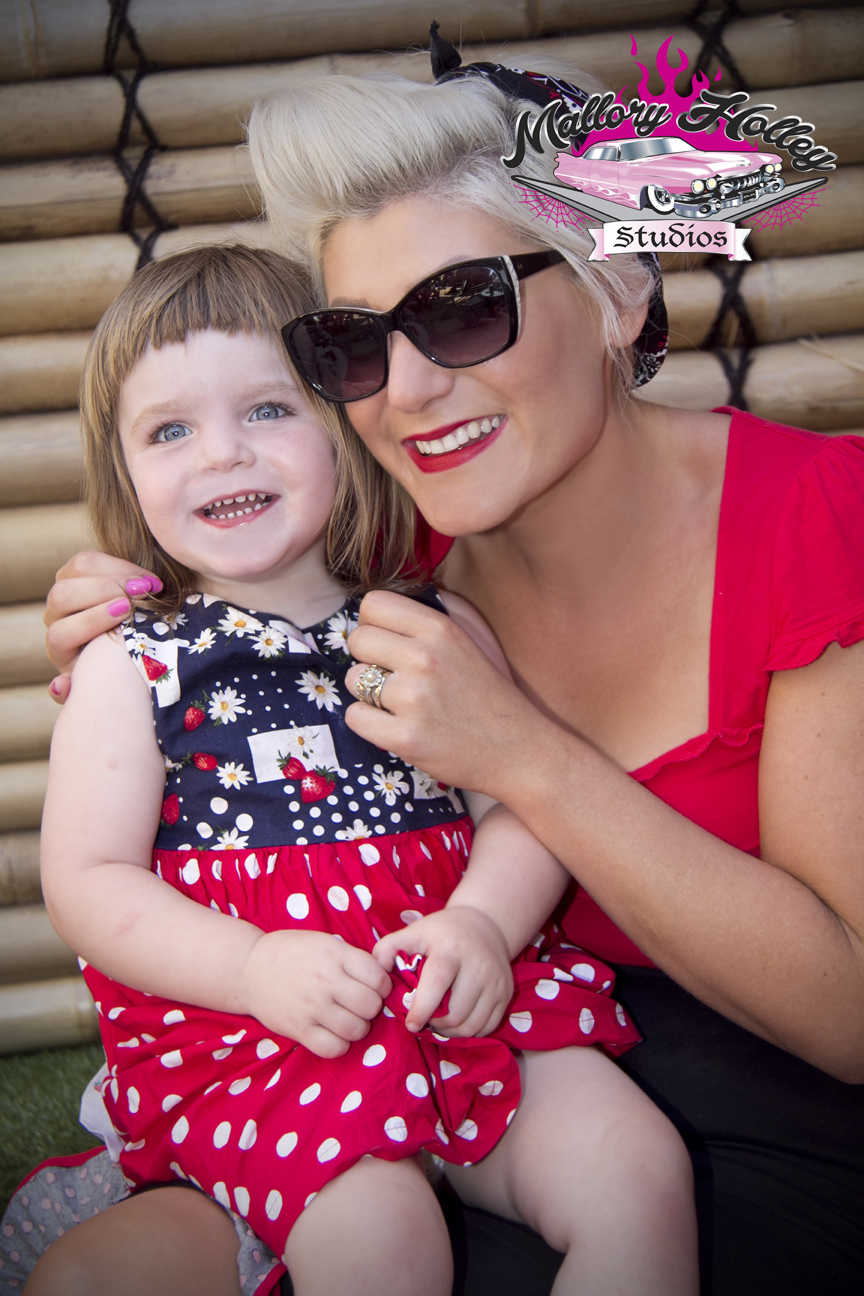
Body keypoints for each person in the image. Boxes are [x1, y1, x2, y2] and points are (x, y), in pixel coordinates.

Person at [33, 46, 864, 1296]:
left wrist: (522, 754)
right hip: (397, 1067)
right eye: (353, 345)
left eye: (464, 305)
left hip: (744, 1123)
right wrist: (122, 622)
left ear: (620, 289)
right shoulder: (385, 551)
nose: (409, 390)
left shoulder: (815, 518)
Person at [15, 244, 696, 1296]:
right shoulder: (135, 664)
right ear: (125, 471)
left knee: (640, 1175)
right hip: (264, 1036)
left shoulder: (429, 623)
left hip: (461, 1007)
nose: (220, 457)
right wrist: (252, 969)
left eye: (270, 410)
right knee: (383, 1246)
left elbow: (520, 808)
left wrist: (482, 924)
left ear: (345, 417)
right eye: (170, 431)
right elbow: (90, 882)